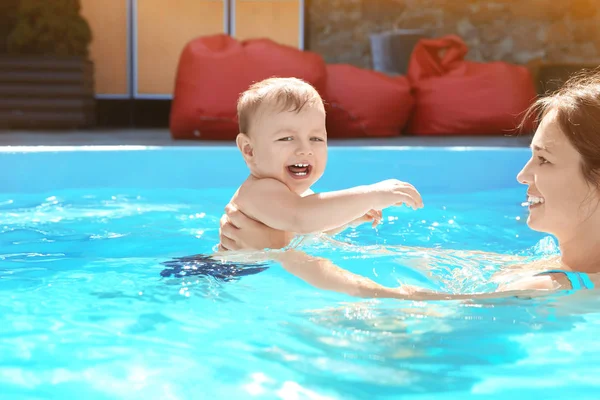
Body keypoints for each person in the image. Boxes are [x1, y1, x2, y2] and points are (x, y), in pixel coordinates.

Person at [219, 70, 600, 299]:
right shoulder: (550, 265)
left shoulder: (553, 288)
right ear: (248, 150)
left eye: (545, 159)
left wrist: (281, 257)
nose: (522, 174)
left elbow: (417, 307)